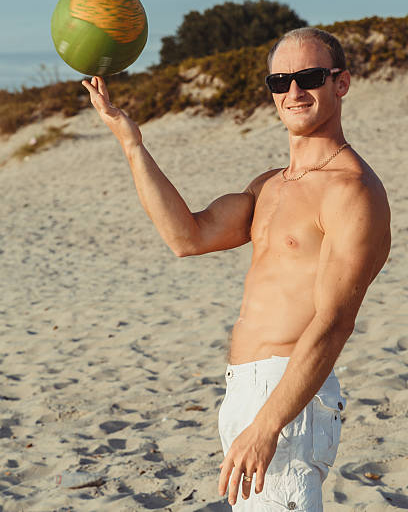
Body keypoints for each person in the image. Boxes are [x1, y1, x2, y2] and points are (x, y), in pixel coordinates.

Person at [82, 27, 391, 511]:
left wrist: (268, 425)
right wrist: (132, 144)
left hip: (289, 399)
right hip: (243, 391)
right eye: (280, 81)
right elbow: (188, 236)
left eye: (309, 76)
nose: (293, 91)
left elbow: (334, 323)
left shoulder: (352, 191)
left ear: (341, 83)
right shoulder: (270, 185)